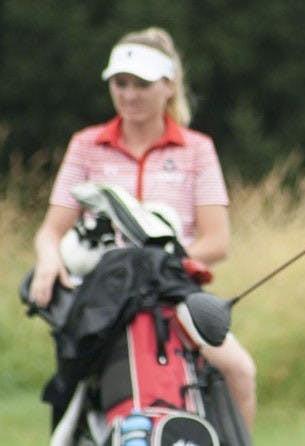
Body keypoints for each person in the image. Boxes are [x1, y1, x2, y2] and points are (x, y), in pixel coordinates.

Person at [28, 27, 257, 430]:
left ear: (168, 87)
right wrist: (48, 261)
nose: (130, 95)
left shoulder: (196, 149)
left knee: (240, 370)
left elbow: (217, 241)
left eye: (142, 85)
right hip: (103, 298)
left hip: (173, 290)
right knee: (72, 393)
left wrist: (157, 265)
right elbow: (51, 231)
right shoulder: (86, 145)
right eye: (121, 83)